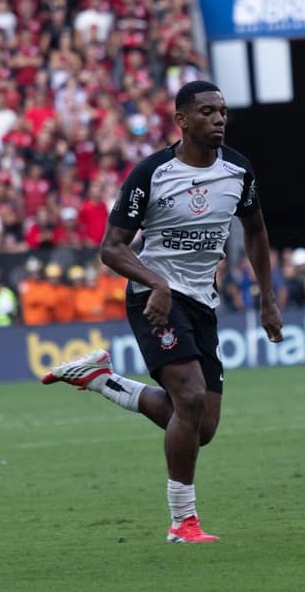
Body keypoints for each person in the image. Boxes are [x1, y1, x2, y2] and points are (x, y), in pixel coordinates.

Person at [41, 80, 283, 544]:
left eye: (222, 111)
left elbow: (255, 231)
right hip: (153, 297)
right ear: (182, 120)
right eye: (207, 112)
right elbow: (111, 248)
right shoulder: (151, 173)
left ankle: (102, 380)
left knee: (201, 426)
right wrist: (156, 282)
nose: (219, 119)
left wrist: (267, 298)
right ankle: (182, 522)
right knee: (189, 399)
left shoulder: (238, 170)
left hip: (202, 300)